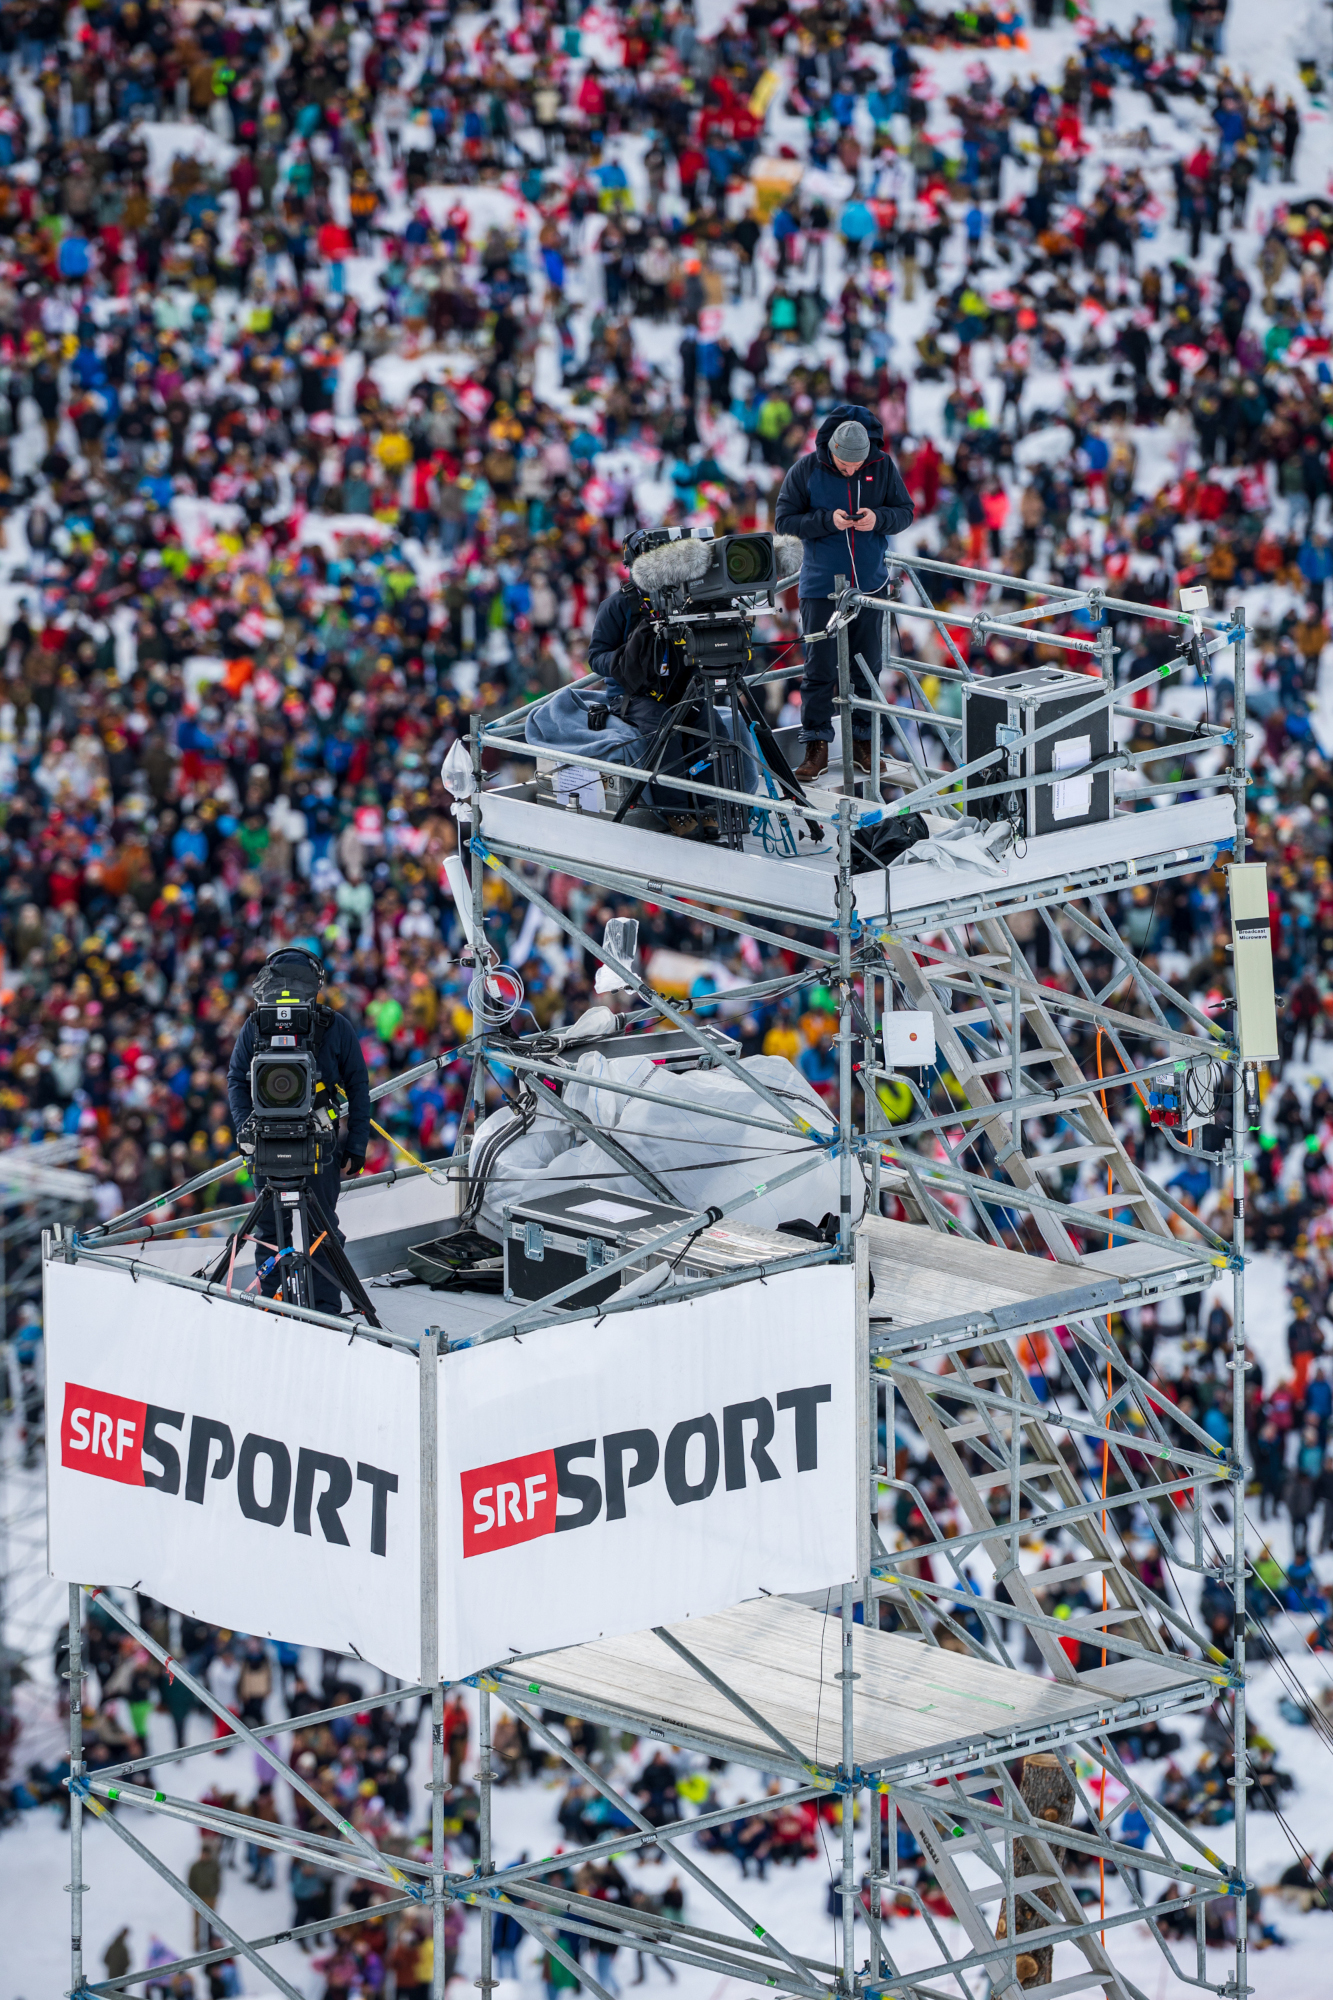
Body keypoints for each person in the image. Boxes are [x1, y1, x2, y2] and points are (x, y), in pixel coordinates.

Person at [226, 947, 370, 1316]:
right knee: (284, 1233)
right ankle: (284, 1306)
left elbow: (358, 1085)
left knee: (314, 1230)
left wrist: (356, 1142)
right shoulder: (257, 1026)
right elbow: (237, 1081)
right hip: (269, 1142)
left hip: (315, 1144)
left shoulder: (332, 1026)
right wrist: (246, 1128)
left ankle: (315, 1308)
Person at [774, 406, 914, 782]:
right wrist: (826, 521)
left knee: (867, 668)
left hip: (869, 585)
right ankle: (816, 744)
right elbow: (784, 521)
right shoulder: (805, 470)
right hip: (821, 587)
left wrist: (878, 519)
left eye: (858, 464)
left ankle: (865, 742)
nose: (851, 469)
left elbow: (905, 512)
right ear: (831, 450)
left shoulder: (883, 466)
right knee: (819, 669)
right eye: (844, 463)